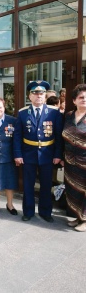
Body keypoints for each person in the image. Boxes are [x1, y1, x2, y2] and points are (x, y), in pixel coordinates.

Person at [13, 80, 63, 222]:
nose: (38, 96)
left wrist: (58, 154)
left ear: (45, 96)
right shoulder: (22, 113)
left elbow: (58, 135)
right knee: (28, 185)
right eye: (35, 93)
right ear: (30, 96)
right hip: (28, 154)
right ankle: (28, 212)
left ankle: (45, 212)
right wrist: (18, 154)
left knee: (46, 185)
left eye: (41, 93)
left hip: (48, 154)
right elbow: (17, 135)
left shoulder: (54, 112)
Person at [62, 84, 86, 231]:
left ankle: (85, 219)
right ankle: (77, 217)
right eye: (81, 97)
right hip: (70, 160)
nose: (84, 100)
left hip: (85, 161)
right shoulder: (69, 116)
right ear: (74, 100)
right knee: (73, 190)